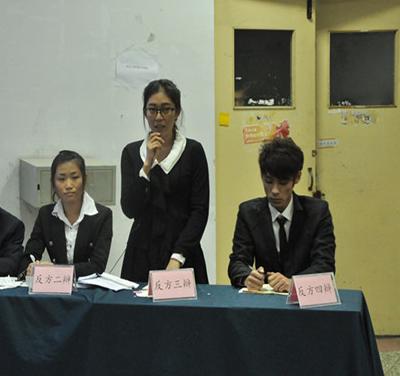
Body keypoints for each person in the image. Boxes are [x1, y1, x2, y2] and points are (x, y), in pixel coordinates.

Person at [120, 79, 210, 283]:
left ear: (177, 112)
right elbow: (129, 209)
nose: (158, 117)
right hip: (140, 256)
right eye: (152, 110)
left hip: (183, 254)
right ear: (145, 112)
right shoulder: (131, 153)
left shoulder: (193, 151)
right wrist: (147, 165)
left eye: (166, 109)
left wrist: (177, 257)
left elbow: (199, 211)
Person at [228, 137, 336, 292]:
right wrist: (247, 277)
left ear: (297, 177)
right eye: (269, 181)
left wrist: (293, 284)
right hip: (265, 298)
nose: (275, 190)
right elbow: (237, 261)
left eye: (283, 183)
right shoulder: (248, 212)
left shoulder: (317, 212)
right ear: (261, 174)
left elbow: (325, 265)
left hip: (305, 298)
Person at [19, 150, 113, 278]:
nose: (68, 185)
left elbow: (98, 265)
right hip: (55, 286)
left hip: (88, 287)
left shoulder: (102, 216)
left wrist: (56, 271)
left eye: (75, 177)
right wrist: (30, 267)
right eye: (61, 179)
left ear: (85, 178)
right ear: (53, 182)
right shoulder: (46, 215)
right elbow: (29, 256)